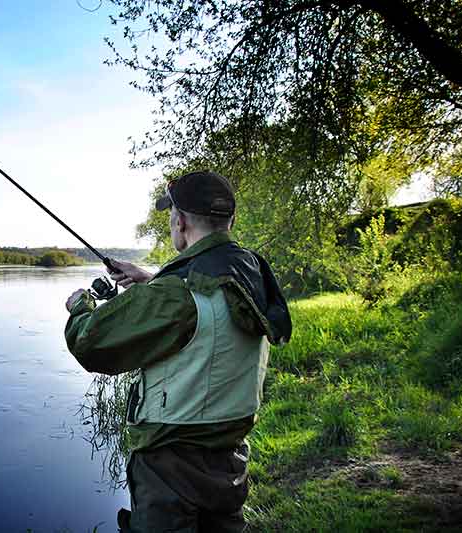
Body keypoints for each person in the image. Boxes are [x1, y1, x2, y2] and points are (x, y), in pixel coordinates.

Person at [64, 170, 292, 532]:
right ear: (230, 220)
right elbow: (211, 313)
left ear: (181, 221)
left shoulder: (177, 295)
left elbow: (90, 343)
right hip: (229, 455)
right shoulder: (250, 274)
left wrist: (81, 306)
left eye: (171, 213)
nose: (171, 220)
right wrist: (151, 281)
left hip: (171, 462)